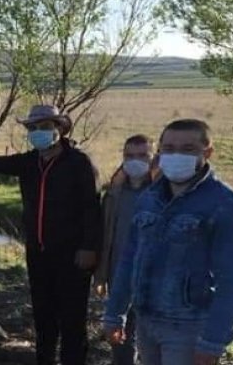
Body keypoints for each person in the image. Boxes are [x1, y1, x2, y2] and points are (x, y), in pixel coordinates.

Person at [0, 104, 102, 365]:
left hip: (72, 255)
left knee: (72, 318)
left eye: (45, 127)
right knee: (43, 315)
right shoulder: (29, 161)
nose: (38, 132)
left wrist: (88, 248)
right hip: (37, 253)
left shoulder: (78, 163)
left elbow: (91, 208)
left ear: (59, 129)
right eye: (33, 128)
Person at [102, 119, 233, 365]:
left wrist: (213, 341)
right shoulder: (148, 198)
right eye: (169, 149)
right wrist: (114, 313)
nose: (176, 155)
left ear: (208, 152)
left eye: (188, 149)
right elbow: (129, 260)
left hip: (189, 326)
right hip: (145, 319)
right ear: (159, 153)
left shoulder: (225, 205)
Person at [94, 134, 156, 365]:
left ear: (153, 158)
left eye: (142, 156)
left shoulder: (163, 192)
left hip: (153, 280)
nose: (135, 161)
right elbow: (105, 237)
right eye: (129, 155)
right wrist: (100, 276)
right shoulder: (113, 194)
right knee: (120, 337)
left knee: (150, 340)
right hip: (118, 275)